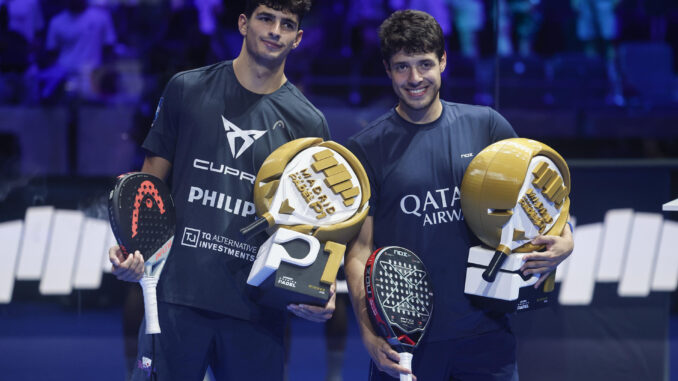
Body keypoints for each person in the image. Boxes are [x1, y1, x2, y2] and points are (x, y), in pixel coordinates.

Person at [108, 1, 335, 380]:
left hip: (258, 309)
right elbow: (150, 184)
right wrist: (132, 250)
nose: (275, 31)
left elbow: (311, 225)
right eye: (266, 18)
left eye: (287, 24)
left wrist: (319, 288)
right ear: (244, 23)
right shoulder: (187, 89)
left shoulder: (310, 122)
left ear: (298, 39)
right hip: (176, 298)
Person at [344, 10, 574, 380]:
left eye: (424, 64)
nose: (415, 78)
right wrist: (369, 333)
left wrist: (566, 240)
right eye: (402, 67)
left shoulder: (486, 124)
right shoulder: (365, 148)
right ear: (387, 69)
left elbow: (541, 194)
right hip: (407, 341)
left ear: (444, 61)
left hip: (487, 334)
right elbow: (358, 251)